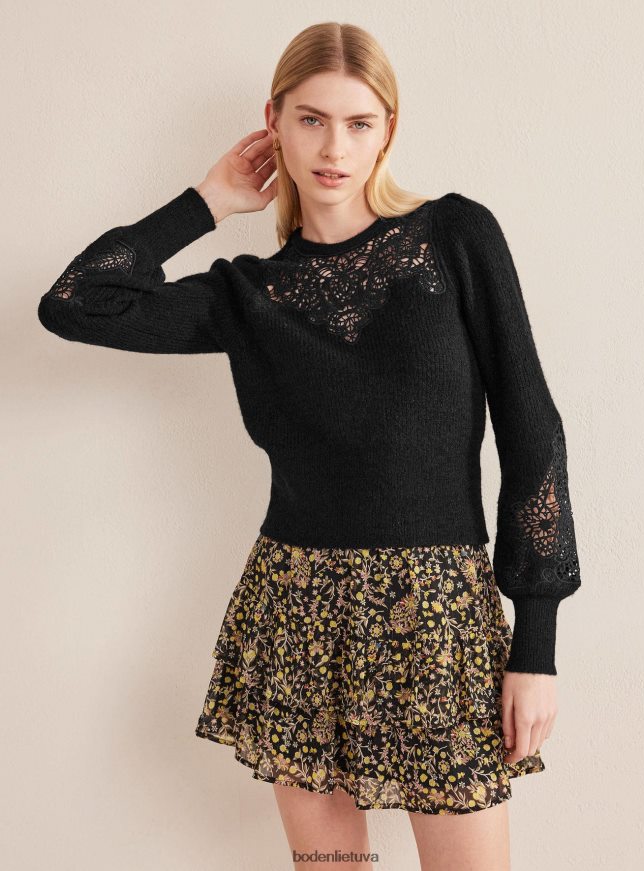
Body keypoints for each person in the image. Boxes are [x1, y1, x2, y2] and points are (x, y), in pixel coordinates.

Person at [38, 21, 581, 871]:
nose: (334, 148)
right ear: (274, 124)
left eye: (359, 122)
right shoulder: (248, 295)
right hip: (296, 611)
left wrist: (536, 641)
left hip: (438, 613)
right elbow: (74, 301)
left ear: (388, 129)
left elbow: (532, 429)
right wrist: (207, 202)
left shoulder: (454, 237)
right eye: (312, 120)